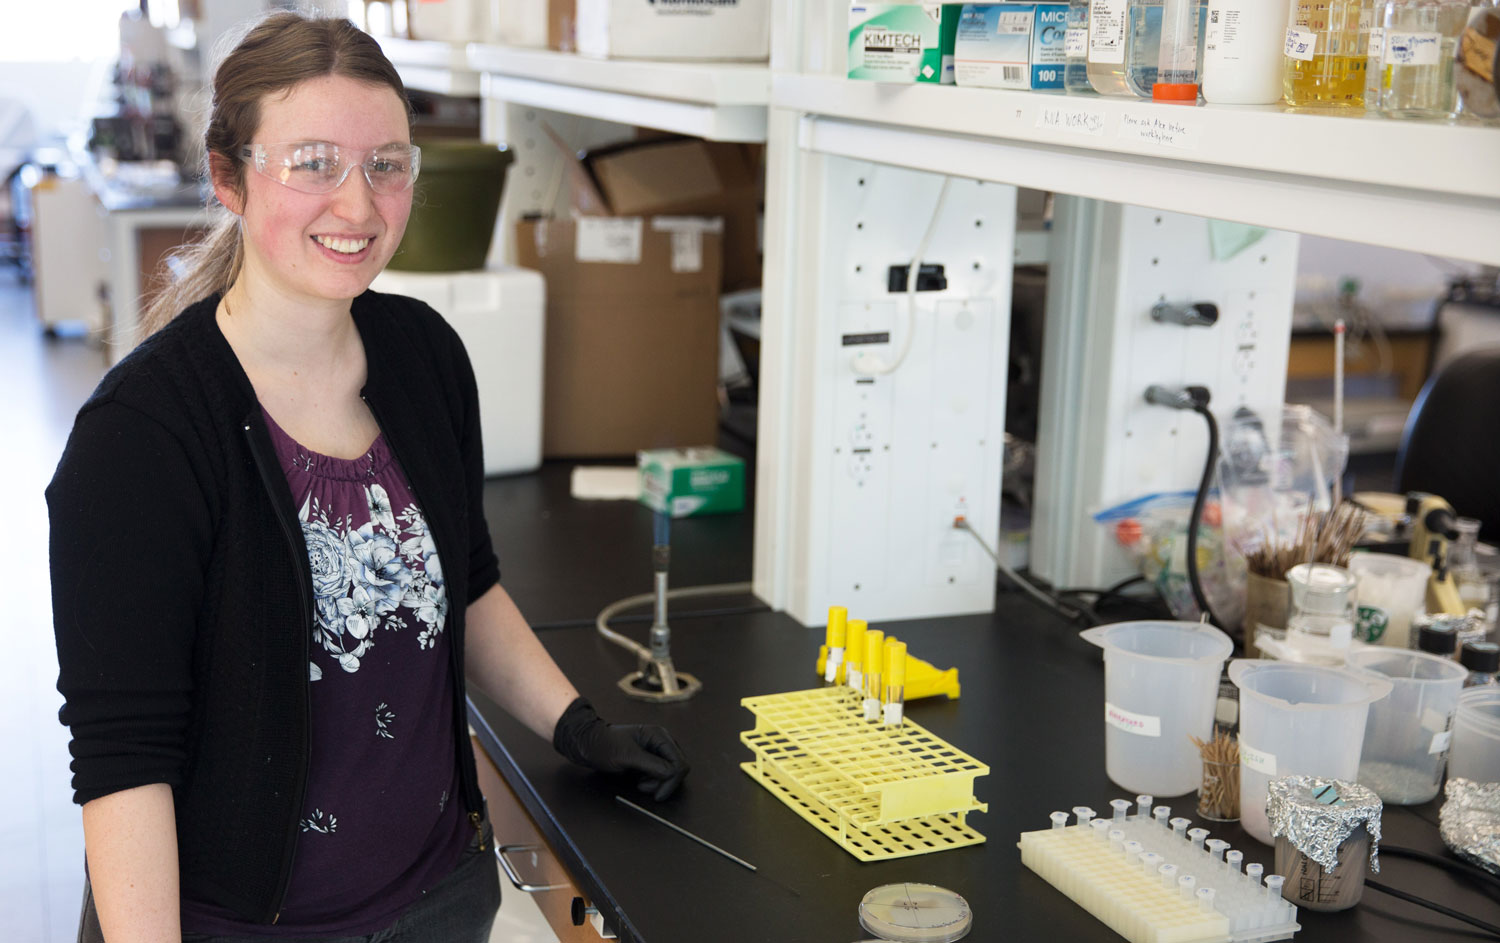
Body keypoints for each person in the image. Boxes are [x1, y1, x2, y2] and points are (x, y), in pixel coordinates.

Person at [47, 13, 688, 942]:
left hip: (440, 898)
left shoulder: (424, 358)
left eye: (387, 164)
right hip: (243, 925)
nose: (356, 204)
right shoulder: (142, 438)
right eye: (312, 162)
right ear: (230, 177)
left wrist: (577, 727)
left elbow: (464, 586)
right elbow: (123, 760)